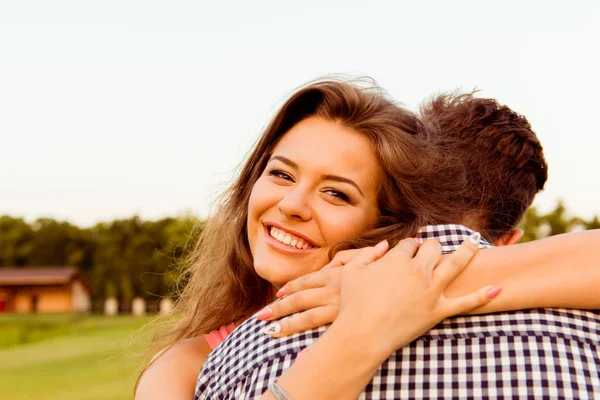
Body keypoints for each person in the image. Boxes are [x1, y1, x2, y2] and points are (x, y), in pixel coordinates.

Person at [134, 80, 599, 399]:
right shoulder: (191, 360)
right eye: (280, 173)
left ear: (391, 222)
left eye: (336, 193)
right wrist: (364, 328)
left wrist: (407, 281)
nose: (294, 204)